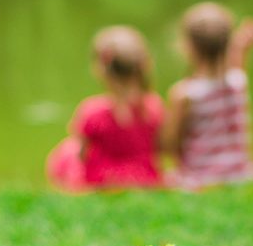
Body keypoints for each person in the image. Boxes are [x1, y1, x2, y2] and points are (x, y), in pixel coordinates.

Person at [46, 26, 164, 191]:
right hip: (144, 177)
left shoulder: (92, 111)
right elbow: (160, 148)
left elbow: (82, 154)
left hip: (103, 180)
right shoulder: (154, 106)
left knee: (66, 151)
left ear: (100, 70)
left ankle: (61, 188)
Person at [161, 2, 253, 190]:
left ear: (188, 47)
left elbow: (169, 144)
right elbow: (234, 67)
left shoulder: (184, 94)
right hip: (240, 175)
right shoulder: (239, 82)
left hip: (201, 178)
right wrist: (241, 48)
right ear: (228, 44)